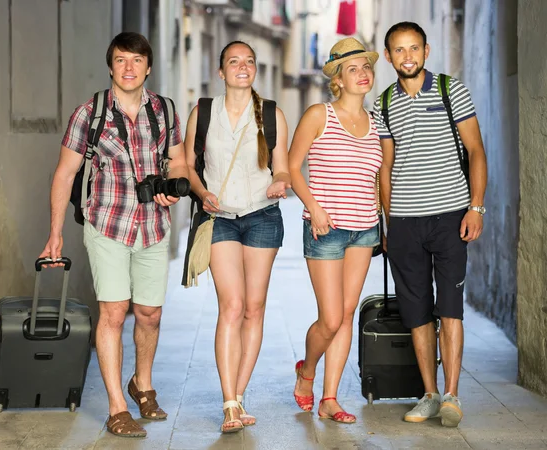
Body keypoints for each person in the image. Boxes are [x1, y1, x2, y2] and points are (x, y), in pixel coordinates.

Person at [39, 32, 188, 438]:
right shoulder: (90, 113)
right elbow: (64, 173)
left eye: (136, 61)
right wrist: (55, 233)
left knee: (150, 314)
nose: (128, 68)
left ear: (148, 67)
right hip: (107, 223)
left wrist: (172, 184)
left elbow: (180, 161)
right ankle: (118, 408)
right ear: (110, 66)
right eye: (121, 60)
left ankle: (142, 384)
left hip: (154, 226)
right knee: (114, 312)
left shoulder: (165, 110)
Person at [374, 22, 487, 427]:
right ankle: (430, 394)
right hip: (404, 222)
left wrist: (476, 208)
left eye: (414, 49)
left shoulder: (449, 89)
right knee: (417, 312)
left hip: (450, 216)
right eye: (399, 50)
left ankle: (453, 396)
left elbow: (475, 150)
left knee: (450, 307)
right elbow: (384, 169)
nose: (407, 57)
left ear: (426, 51)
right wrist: (387, 223)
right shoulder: (382, 103)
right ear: (388, 56)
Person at [183, 41, 291, 433]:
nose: (241, 67)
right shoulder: (204, 112)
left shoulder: (272, 114)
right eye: (234, 61)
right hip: (221, 219)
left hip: (263, 216)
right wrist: (201, 191)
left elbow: (284, 169)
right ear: (221, 71)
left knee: (253, 308)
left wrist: (281, 183)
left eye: (248, 61)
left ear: (255, 70)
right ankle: (229, 403)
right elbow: (189, 165)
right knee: (231, 305)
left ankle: (240, 395)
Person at [289, 37, 382, 423]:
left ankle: (330, 398)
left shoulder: (376, 123)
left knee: (345, 316)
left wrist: (384, 221)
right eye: (353, 69)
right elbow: (294, 169)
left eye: (366, 67)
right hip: (326, 229)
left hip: (364, 230)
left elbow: (378, 179)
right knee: (329, 318)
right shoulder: (318, 115)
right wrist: (314, 209)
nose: (363, 74)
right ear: (338, 79)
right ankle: (306, 371)